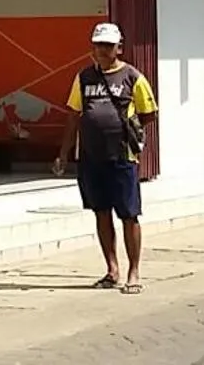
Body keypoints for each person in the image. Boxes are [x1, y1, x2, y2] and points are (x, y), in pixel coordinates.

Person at [52, 21, 157, 293]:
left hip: (122, 156)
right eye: (98, 45)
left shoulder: (133, 77)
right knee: (100, 212)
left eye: (108, 46)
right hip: (91, 156)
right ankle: (112, 269)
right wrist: (64, 154)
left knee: (129, 214)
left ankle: (134, 272)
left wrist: (129, 129)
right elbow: (73, 114)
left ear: (118, 48)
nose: (102, 50)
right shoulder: (84, 77)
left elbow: (150, 112)